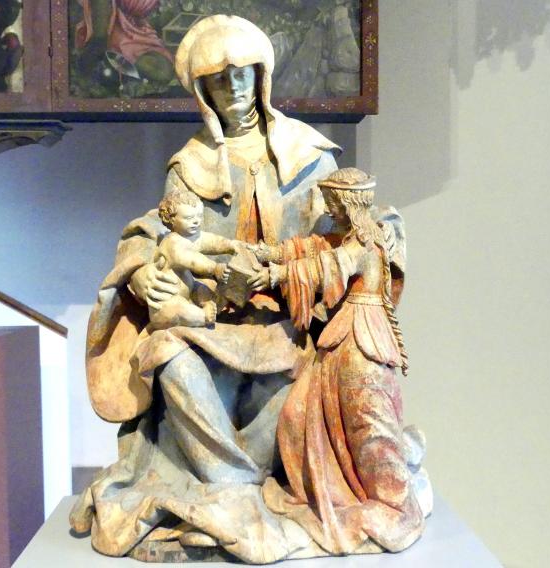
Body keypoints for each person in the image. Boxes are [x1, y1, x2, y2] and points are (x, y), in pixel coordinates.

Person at [70, 15, 349, 563]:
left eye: (243, 73)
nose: (234, 87)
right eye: (219, 79)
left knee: (289, 402)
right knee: (166, 356)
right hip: (212, 327)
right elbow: (157, 232)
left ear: (262, 77)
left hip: (289, 327)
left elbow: (346, 237)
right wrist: (142, 270)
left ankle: (233, 496)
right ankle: (235, 495)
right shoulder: (189, 165)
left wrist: (296, 274)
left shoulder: (310, 154)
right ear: (202, 92)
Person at [251, 168, 430, 555]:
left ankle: (392, 502)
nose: (327, 208)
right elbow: (315, 249)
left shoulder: (365, 241)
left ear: (348, 204)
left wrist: (276, 276)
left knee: (367, 421)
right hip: (341, 336)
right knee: (299, 412)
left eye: (332, 201)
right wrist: (271, 253)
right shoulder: (348, 236)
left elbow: (329, 266)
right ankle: (328, 485)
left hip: (361, 336)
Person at [147, 189, 238, 330]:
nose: (196, 221)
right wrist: (214, 268)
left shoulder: (189, 236)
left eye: (199, 216)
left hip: (186, 292)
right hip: (166, 304)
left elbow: (211, 241)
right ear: (171, 219)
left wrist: (230, 245)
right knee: (179, 308)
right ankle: (204, 316)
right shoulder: (172, 243)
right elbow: (192, 260)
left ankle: (207, 305)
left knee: (200, 287)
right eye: (189, 218)